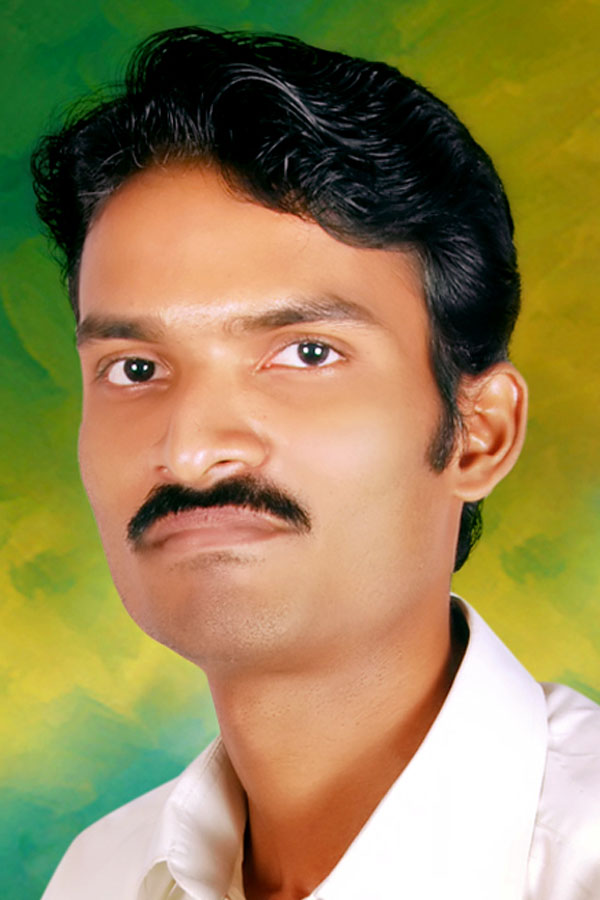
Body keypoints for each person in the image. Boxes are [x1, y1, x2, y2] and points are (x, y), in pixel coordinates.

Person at [32, 26, 599, 900]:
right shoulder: (101, 875)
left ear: (478, 434)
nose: (191, 449)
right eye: (135, 369)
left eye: (305, 353)